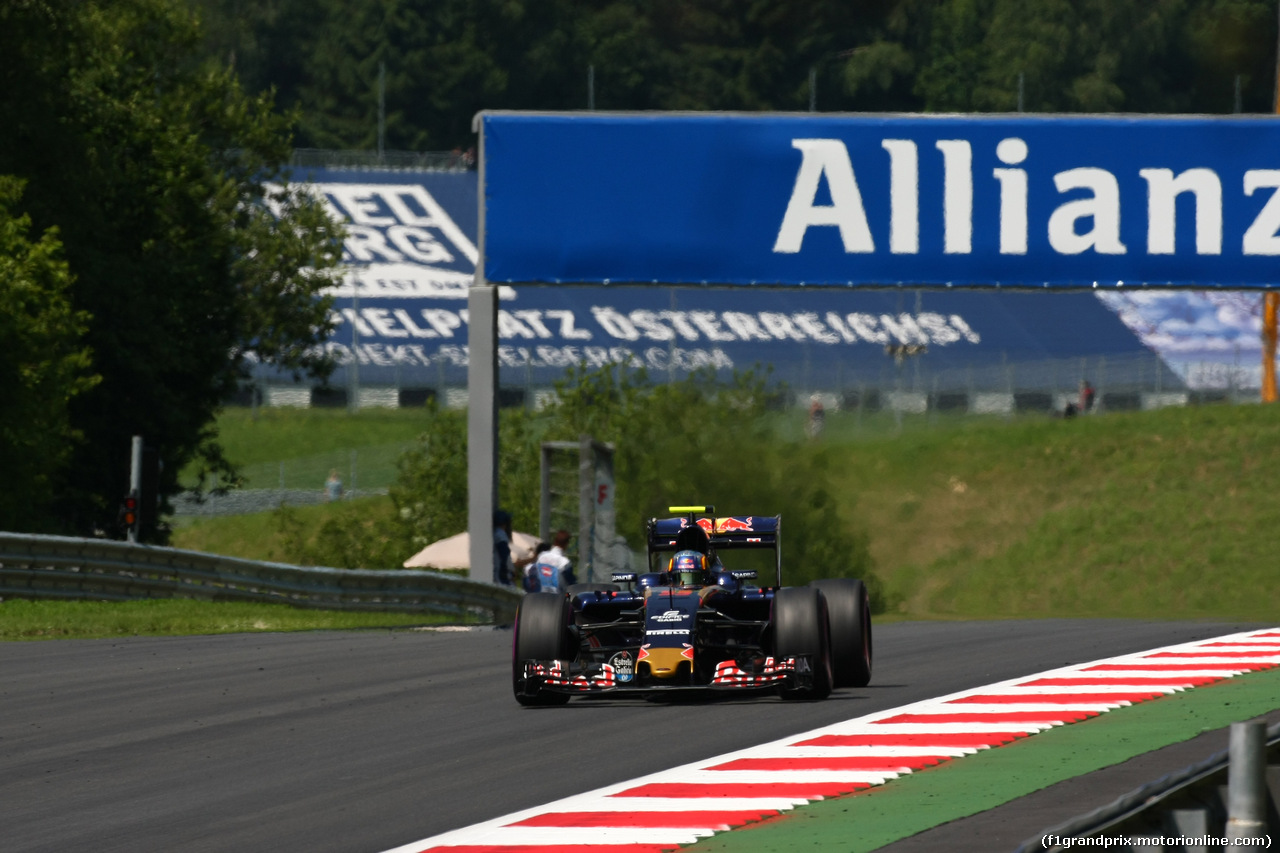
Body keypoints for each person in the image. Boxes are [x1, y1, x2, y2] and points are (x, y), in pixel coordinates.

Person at [493, 509, 515, 587]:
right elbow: (505, 556)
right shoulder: (500, 534)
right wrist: (511, 570)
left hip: (497, 573)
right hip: (502, 576)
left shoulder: (496, 533)